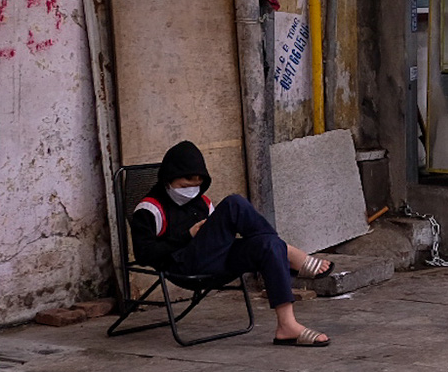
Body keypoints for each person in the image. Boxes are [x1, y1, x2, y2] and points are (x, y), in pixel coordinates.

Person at [129, 141, 334, 346]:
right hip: (183, 266)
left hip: (216, 262)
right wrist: (187, 235)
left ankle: (287, 325)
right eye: (185, 186)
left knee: (268, 244)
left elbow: (220, 243)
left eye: (196, 186)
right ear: (168, 180)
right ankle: (291, 253)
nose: (191, 191)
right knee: (234, 204)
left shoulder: (202, 202)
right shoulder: (149, 209)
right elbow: (144, 254)